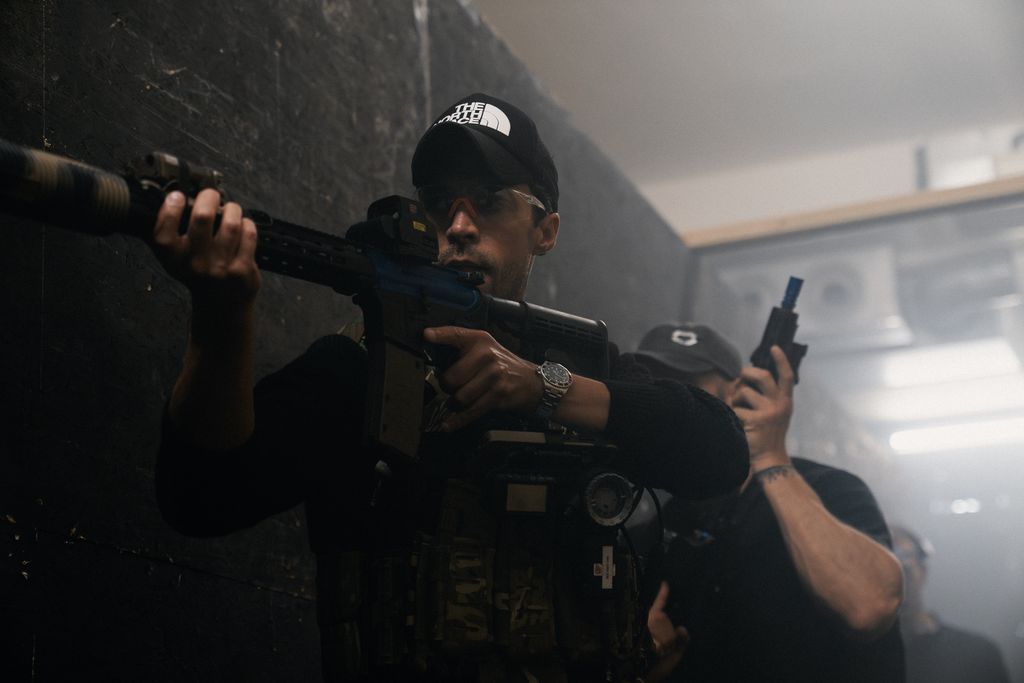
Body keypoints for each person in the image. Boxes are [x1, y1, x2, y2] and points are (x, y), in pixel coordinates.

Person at [149, 94, 750, 682]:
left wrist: (543, 386)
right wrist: (222, 318)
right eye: (438, 204)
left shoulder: (583, 362)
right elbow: (200, 499)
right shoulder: (362, 368)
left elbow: (720, 453)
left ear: (546, 229)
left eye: (488, 202)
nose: (459, 227)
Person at [630, 323, 905, 682]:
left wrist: (770, 457)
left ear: (738, 397)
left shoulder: (830, 489)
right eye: (654, 391)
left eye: (688, 390)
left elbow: (870, 605)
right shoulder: (650, 531)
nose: (668, 409)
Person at [892, 525, 1011, 683]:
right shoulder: (856, 659)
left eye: (905, 571)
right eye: (879, 576)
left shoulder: (977, 656)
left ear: (923, 572)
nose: (895, 585)